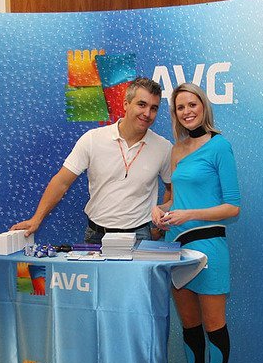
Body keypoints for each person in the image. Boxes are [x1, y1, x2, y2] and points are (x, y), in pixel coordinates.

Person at [151, 83, 240, 363]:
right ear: (175, 114)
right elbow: (176, 200)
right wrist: (160, 210)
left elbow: (232, 207)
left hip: (209, 247)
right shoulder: (176, 150)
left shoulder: (220, 146)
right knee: (189, 326)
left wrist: (189, 214)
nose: (187, 111)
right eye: (180, 107)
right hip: (177, 247)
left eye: (192, 104)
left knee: (213, 325)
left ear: (203, 106)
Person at [11, 77, 171, 244]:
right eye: (141, 105)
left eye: (154, 108)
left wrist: (160, 225)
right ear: (126, 104)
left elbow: (172, 189)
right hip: (96, 235)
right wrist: (36, 219)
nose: (147, 113)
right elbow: (62, 182)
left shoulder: (163, 147)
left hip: (139, 235)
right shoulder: (93, 139)